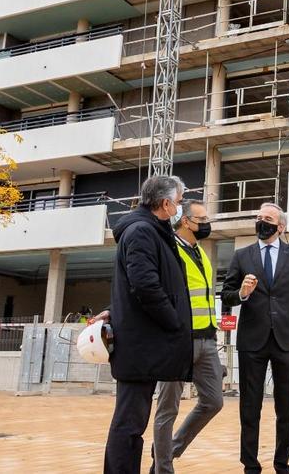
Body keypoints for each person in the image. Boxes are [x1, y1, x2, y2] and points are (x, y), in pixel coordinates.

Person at [98, 175, 194, 474]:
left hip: (144, 345)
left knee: (132, 422)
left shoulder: (153, 231)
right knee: (129, 423)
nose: (180, 208)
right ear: (165, 204)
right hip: (140, 347)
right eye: (178, 203)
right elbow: (145, 285)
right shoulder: (142, 232)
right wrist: (173, 320)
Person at [220, 202, 289, 474]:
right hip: (252, 341)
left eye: (268, 218)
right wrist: (242, 292)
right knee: (249, 407)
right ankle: (250, 465)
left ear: (281, 226)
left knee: (285, 408)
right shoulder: (242, 255)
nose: (262, 221)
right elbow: (226, 294)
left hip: (288, 340)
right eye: (259, 216)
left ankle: (282, 464)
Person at [150, 199, 223, 474]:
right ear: (185, 221)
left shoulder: (200, 252)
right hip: (179, 340)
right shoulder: (171, 250)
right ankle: (163, 469)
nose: (206, 225)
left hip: (207, 339)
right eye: (201, 220)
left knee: (213, 402)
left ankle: (166, 451)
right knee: (167, 408)